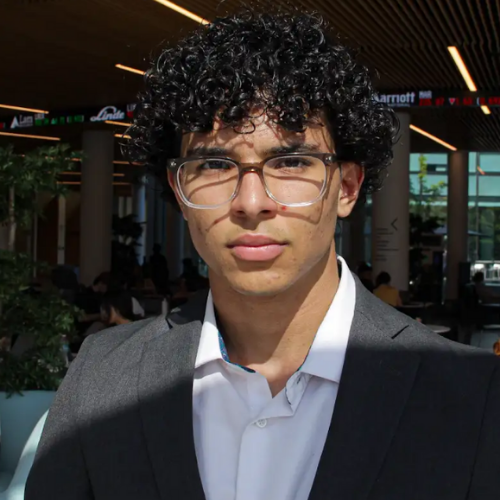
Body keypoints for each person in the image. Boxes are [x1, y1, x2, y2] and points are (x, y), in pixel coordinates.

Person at [27, 11, 500, 500]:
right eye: (214, 164)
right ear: (179, 189)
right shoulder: (103, 378)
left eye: (291, 161)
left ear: (347, 187)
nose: (251, 203)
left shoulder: (472, 395)